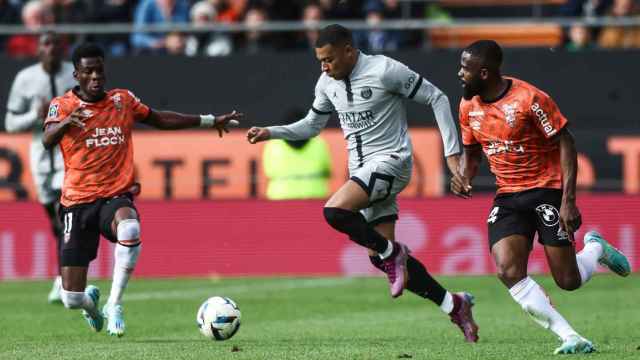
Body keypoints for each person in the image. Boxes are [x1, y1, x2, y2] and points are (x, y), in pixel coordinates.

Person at [247, 24, 479, 342]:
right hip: (363, 172)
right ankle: (453, 304)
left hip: (392, 163)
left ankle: (392, 252)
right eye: (320, 61)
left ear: (349, 51)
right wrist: (271, 131)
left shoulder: (385, 70)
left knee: (335, 212)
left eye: (329, 59)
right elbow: (311, 126)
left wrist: (453, 157)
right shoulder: (327, 83)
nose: (324, 67)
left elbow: (437, 98)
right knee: (379, 258)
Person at [42, 43, 242, 337]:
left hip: (114, 194)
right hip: (77, 201)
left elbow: (159, 118)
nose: (96, 76)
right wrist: (65, 123)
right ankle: (92, 305)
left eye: (100, 69)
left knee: (130, 228)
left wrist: (209, 121)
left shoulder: (122, 100)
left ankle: (115, 303)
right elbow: (47, 138)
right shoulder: (63, 106)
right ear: (77, 75)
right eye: (89, 71)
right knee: (71, 298)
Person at [453, 40, 631, 354]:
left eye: (465, 69)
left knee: (568, 280)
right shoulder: (468, 106)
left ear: (484, 72)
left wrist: (568, 199)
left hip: (545, 189)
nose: (460, 74)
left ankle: (594, 248)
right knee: (507, 270)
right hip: (507, 195)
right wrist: (464, 176)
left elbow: (566, 142)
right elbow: (472, 152)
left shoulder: (529, 99)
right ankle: (570, 336)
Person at [4, 31, 75, 304]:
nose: (52, 49)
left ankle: (64, 280)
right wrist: (35, 115)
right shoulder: (25, 79)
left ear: (63, 48)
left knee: (62, 212)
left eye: (57, 44)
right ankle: (65, 272)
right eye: (47, 44)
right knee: (54, 219)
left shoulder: (74, 74)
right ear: (38, 49)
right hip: (40, 152)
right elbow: (10, 123)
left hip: (69, 152)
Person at [263, 108, 331, 200]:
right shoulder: (319, 143)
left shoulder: (273, 144)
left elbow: (268, 172)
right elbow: (327, 170)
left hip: (280, 195)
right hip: (314, 195)